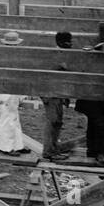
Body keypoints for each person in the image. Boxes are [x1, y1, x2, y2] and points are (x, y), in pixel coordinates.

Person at [41, 31, 73, 162]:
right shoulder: (55, 56)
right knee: (52, 122)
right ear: (60, 43)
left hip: (57, 94)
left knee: (57, 122)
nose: (71, 45)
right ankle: (49, 151)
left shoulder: (62, 54)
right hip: (51, 94)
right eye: (68, 42)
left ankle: (54, 149)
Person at [0, 31, 26, 155]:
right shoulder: (3, 58)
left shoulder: (14, 57)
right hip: (4, 91)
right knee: (7, 118)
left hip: (12, 90)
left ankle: (18, 145)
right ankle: (6, 147)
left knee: (14, 117)